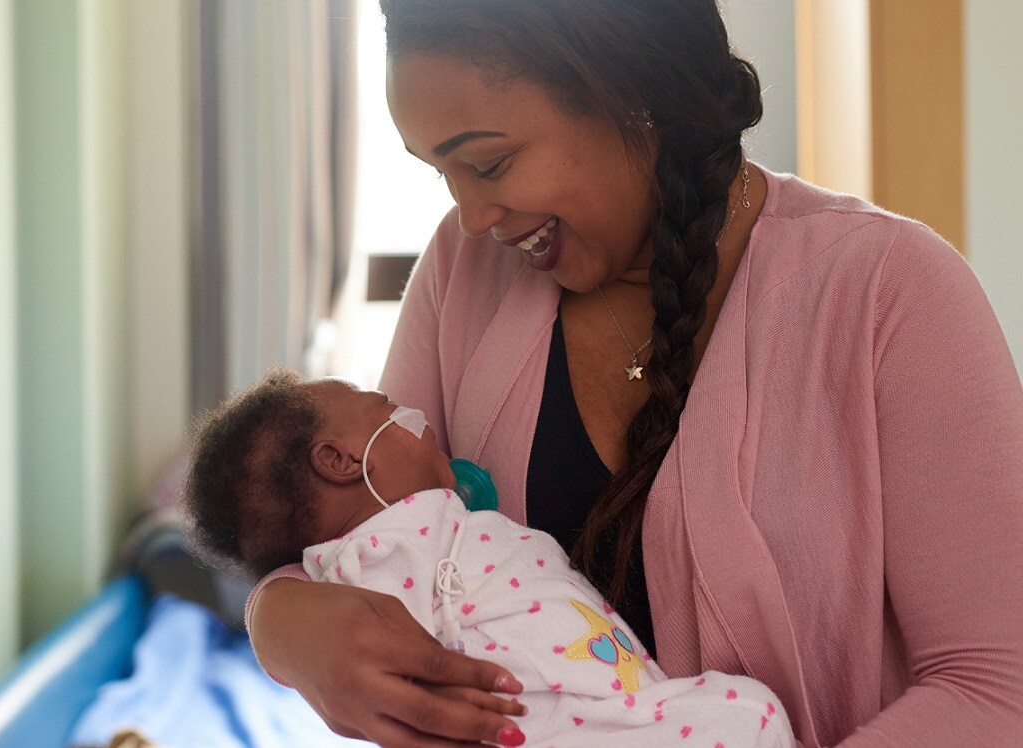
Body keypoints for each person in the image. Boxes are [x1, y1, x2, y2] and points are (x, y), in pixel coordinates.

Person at [245, 1, 1023, 746]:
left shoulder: (889, 293)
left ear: (633, 94)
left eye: (489, 162)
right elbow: (347, 516)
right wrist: (277, 622)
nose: (472, 214)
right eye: (440, 173)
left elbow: (999, 689)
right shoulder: (464, 272)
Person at [183, 369, 792, 747]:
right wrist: (279, 616)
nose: (412, 415)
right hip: (576, 728)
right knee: (751, 716)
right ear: (342, 460)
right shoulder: (375, 564)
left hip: (620, 714)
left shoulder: (405, 542)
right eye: (385, 406)